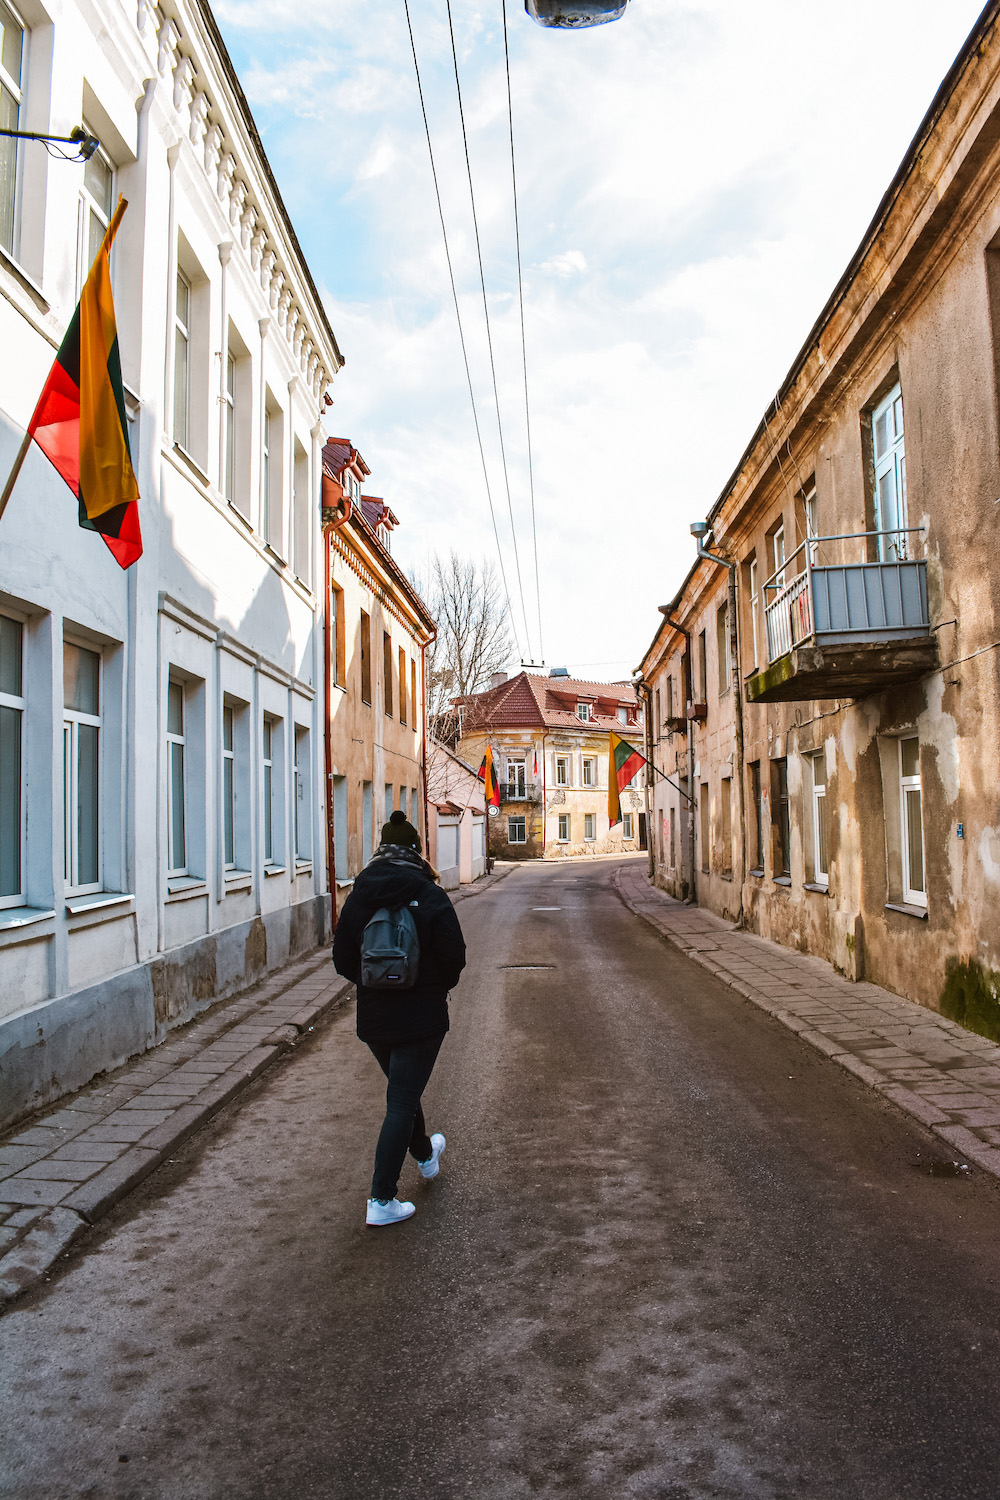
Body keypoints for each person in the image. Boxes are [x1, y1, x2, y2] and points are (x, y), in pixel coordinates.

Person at [333, 809, 466, 1226]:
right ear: (415, 852)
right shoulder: (429, 894)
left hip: (376, 1021)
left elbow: (341, 960)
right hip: (421, 1018)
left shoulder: (359, 894)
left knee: (403, 1094)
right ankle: (381, 1199)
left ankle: (426, 1156)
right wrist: (428, 986)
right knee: (402, 1100)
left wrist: (376, 983)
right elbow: (455, 958)